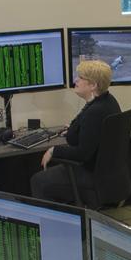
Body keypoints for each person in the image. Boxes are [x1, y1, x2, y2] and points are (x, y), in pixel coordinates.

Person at [31, 59, 122, 204]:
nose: (75, 80)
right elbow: (80, 133)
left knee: (38, 181)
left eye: (80, 78)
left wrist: (54, 150)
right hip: (109, 173)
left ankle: (53, 222)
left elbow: (82, 153)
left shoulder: (94, 112)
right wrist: (75, 128)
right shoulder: (107, 101)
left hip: (91, 173)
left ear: (93, 85)